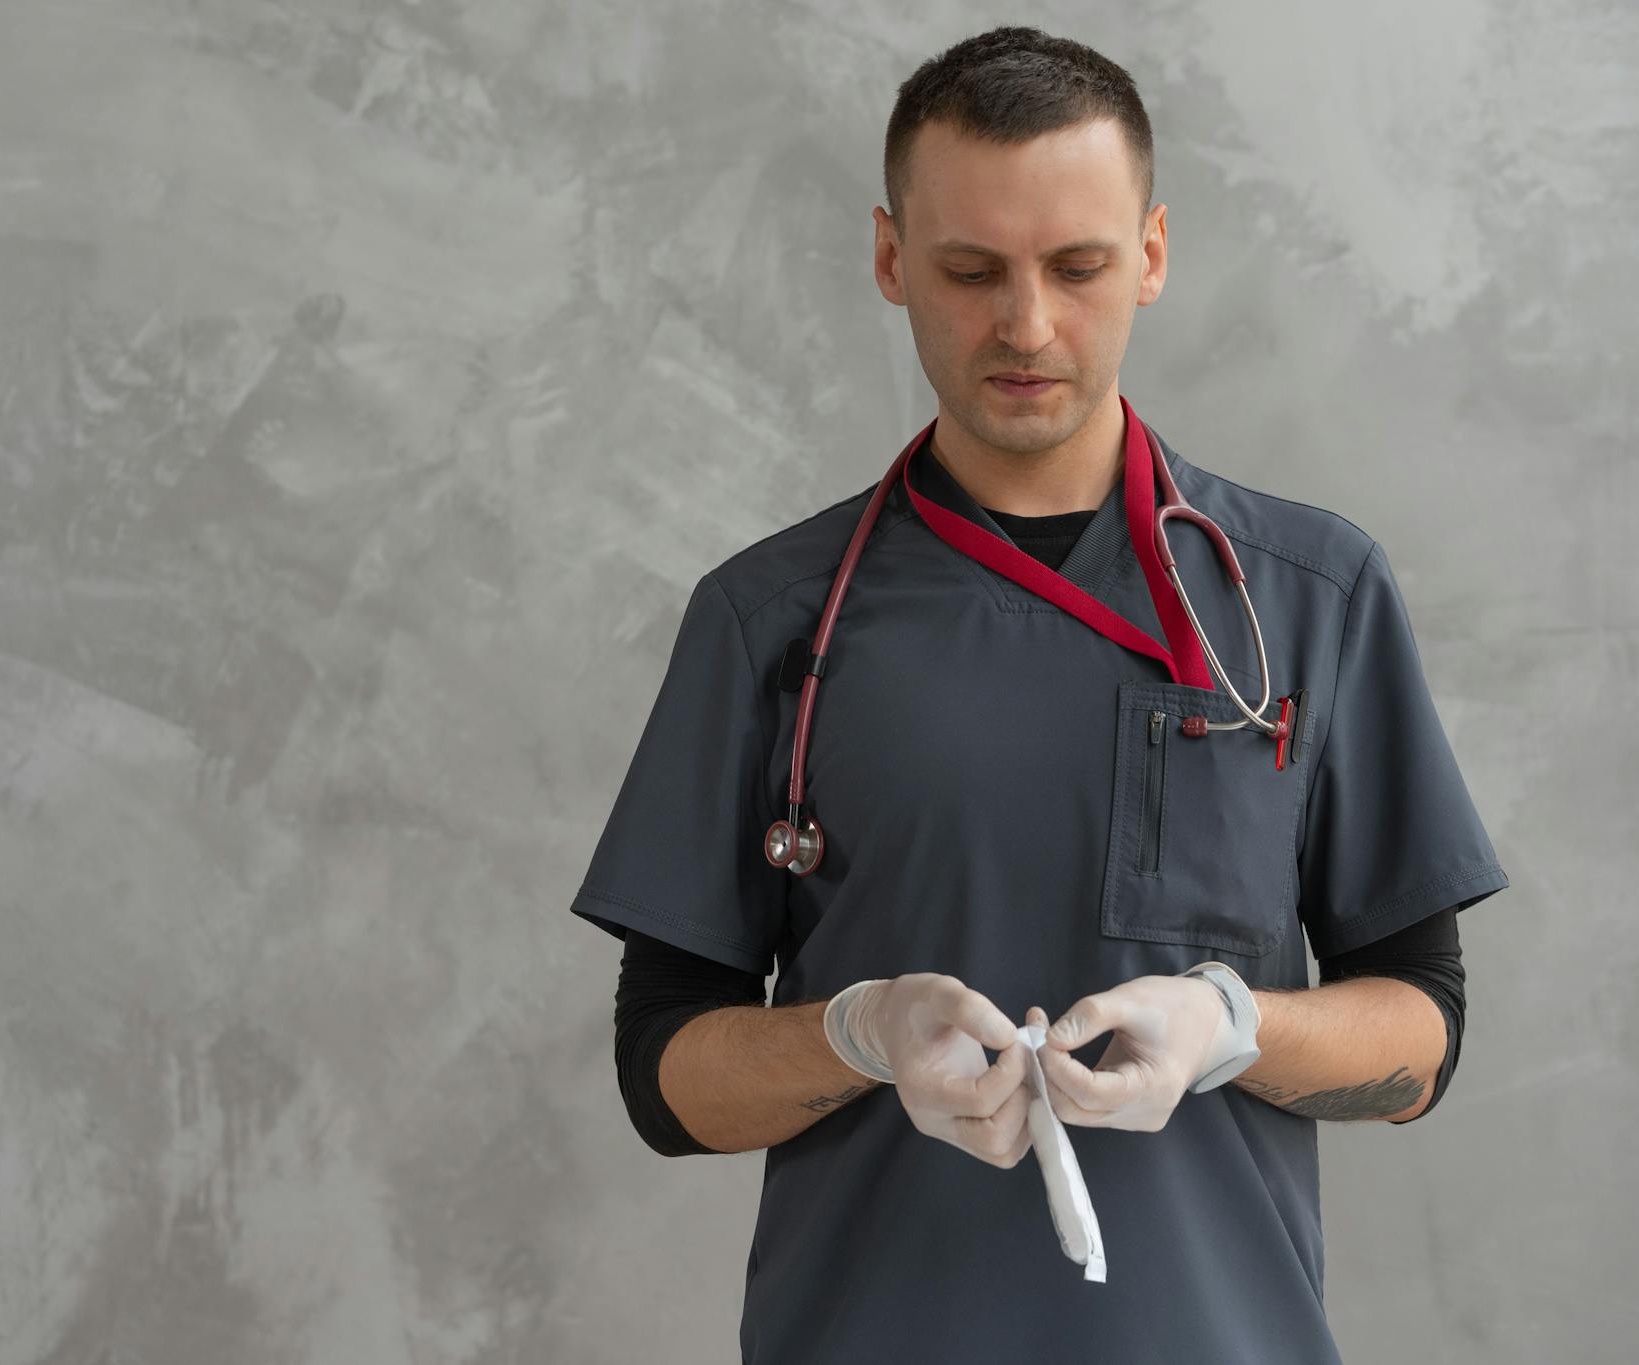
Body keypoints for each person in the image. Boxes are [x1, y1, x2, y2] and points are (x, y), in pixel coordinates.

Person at [568, 25, 1507, 1364]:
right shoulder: (770, 621)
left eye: (1078, 267)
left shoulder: (1310, 594)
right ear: (891, 260)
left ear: (1155, 253)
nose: (1027, 325)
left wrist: (1230, 1029)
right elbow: (665, 1080)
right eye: (970, 271)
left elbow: (1423, 1035)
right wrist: (860, 1031)